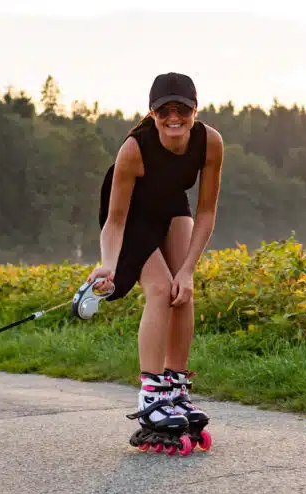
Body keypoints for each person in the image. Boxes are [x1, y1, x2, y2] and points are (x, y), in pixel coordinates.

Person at [87, 72, 224, 454]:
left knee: (182, 291)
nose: (174, 117)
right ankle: (151, 396)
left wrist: (189, 269)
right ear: (152, 112)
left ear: (196, 110)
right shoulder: (134, 149)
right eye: (166, 109)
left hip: (170, 206)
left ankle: (177, 390)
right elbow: (114, 221)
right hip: (132, 216)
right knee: (161, 289)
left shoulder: (210, 142)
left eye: (183, 108)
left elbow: (207, 211)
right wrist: (108, 265)